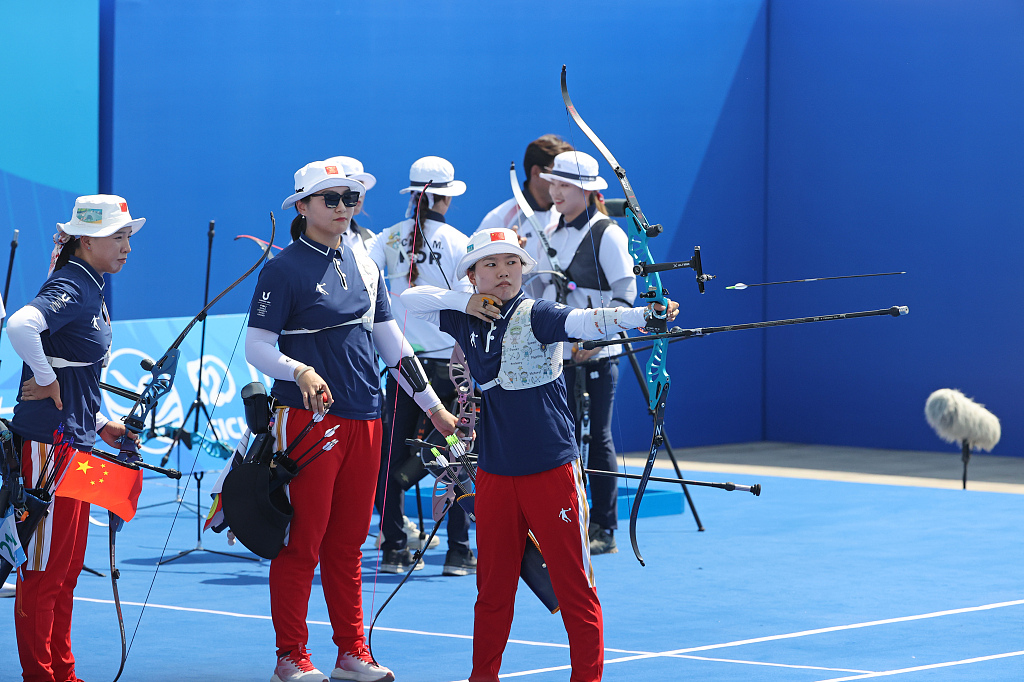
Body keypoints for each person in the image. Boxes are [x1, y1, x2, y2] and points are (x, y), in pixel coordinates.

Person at [400, 227, 678, 682]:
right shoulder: (463, 317)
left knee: (574, 587)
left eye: (511, 262)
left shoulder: (539, 313)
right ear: (472, 274)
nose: (503, 271)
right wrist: (461, 302)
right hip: (493, 473)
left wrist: (645, 314)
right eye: (490, 264)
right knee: (492, 591)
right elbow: (406, 300)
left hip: (551, 470)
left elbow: (586, 323)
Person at [244, 159, 457, 682]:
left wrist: (433, 406)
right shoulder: (283, 268)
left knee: (348, 543)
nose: (343, 207)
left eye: (350, 199)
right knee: (304, 541)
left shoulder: (364, 259)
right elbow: (257, 347)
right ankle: (291, 656)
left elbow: (390, 340)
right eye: (330, 199)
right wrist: (301, 370)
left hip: (367, 416)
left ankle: (352, 653)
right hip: (307, 420)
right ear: (302, 206)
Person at [7, 195, 142, 682]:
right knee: (43, 574)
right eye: (117, 237)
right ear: (87, 241)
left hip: (76, 445)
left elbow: (77, 370)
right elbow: (20, 324)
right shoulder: (73, 283)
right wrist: (43, 377)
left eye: (128, 236)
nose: (127, 246)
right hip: (49, 449)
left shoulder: (91, 282)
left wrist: (101, 419)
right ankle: (40, 676)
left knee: (63, 574)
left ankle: (62, 673)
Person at [365, 156, 476, 576]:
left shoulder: (387, 238)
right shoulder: (457, 241)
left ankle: (394, 547)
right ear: (445, 199)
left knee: (392, 455)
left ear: (413, 196)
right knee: (457, 453)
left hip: (401, 365)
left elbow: (364, 273)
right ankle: (457, 550)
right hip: (449, 366)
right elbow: (469, 302)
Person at [534, 150, 636, 555]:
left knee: (597, 438)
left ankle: (604, 528)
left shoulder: (607, 233)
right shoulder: (552, 229)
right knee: (562, 441)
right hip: (557, 358)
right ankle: (566, 522)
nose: (553, 190)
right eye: (552, 183)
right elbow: (539, 291)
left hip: (596, 357)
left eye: (563, 184)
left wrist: (593, 340)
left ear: (587, 190)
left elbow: (627, 298)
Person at [476, 134, 574, 282]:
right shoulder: (502, 217)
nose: (562, 182)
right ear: (536, 172)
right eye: (556, 175)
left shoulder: (567, 213)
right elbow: (474, 268)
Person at [325, 156, 376, 257]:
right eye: (351, 190)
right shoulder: (308, 238)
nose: (358, 196)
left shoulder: (369, 237)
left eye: (361, 189)